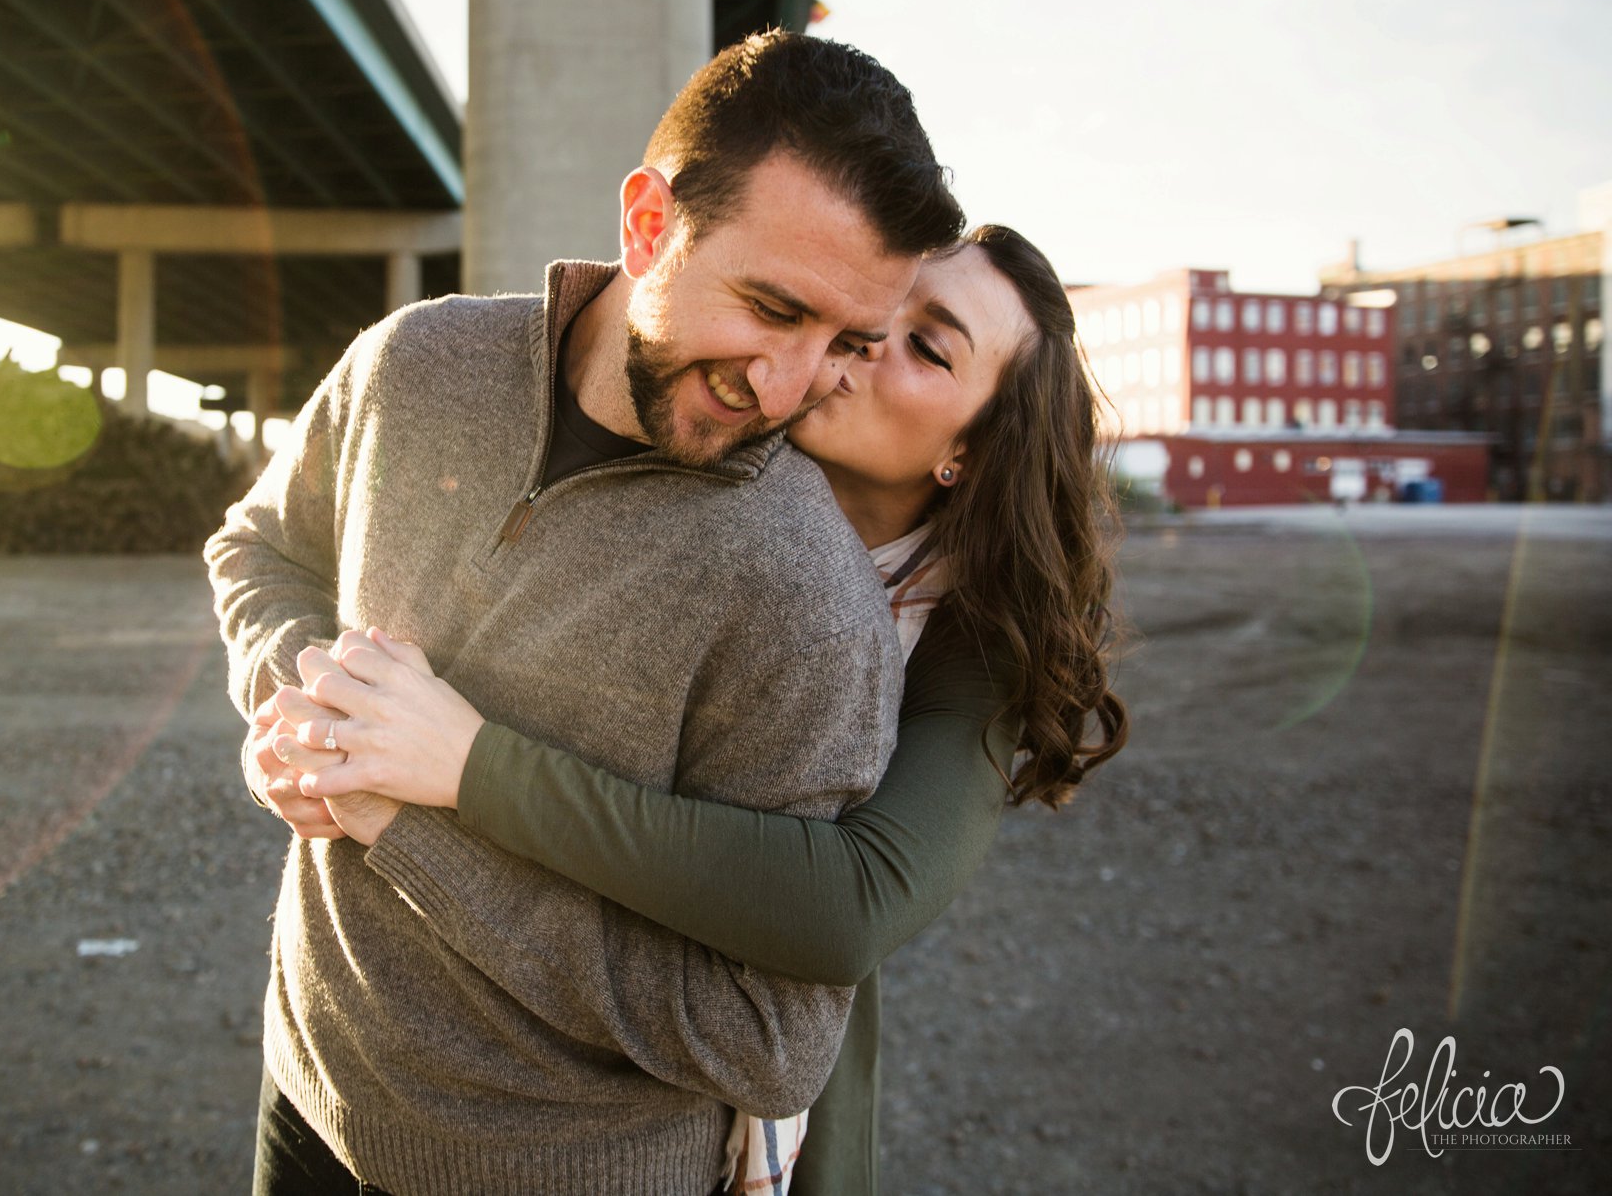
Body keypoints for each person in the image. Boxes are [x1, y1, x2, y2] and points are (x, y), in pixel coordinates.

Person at [205, 28, 967, 1196]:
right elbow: (261, 544)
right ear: (649, 224)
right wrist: (303, 697)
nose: (784, 386)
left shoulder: (801, 598)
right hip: (304, 1101)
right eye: (769, 308)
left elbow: (768, 1042)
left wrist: (400, 821)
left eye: (843, 343)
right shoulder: (413, 362)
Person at [254, 224, 1131, 1195]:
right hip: (371, 1061)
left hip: (711, 1101)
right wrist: (319, 717)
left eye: (926, 345)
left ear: (967, 449)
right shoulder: (678, 445)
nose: (863, 342)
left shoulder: (972, 634)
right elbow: (281, 555)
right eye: (870, 309)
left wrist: (472, 769)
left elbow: (848, 907)